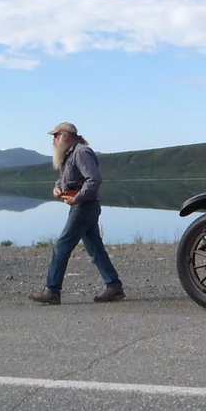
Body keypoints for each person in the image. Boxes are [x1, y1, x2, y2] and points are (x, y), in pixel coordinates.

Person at [29, 122, 125, 305]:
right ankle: (114, 287)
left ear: (66, 135)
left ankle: (52, 291)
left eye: (56, 136)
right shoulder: (69, 155)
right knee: (95, 248)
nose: (54, 140)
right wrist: (58, 188)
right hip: (82, 205)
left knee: (61, 245)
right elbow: (64, 178)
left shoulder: (81, 152)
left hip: (84, 206)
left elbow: (94, 180)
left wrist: (78, 198)